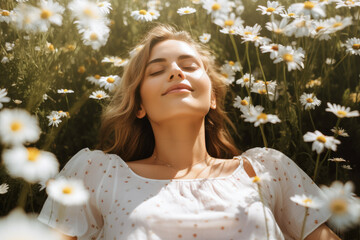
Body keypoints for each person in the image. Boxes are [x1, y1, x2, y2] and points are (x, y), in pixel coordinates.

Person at [38, 24, 340, 240]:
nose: (176, 71)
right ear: (139, 105)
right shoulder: (97, 175)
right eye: (156, 71)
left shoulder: (266, 169)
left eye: (189, 65)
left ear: (212, 98)